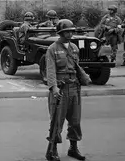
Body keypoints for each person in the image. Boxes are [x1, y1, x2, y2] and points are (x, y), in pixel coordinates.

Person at [44, 19, 91, 161]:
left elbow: (76, 66)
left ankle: (73, 148)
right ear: (61, 33)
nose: (70, 34)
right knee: (57, 121)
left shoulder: (74, 48)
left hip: (74, 87)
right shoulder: (52, 48)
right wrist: (54, 87)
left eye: (71, 31)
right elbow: (50, 70)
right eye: (67, 32)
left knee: (75, 120)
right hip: (60, 88)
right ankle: (52, 150)